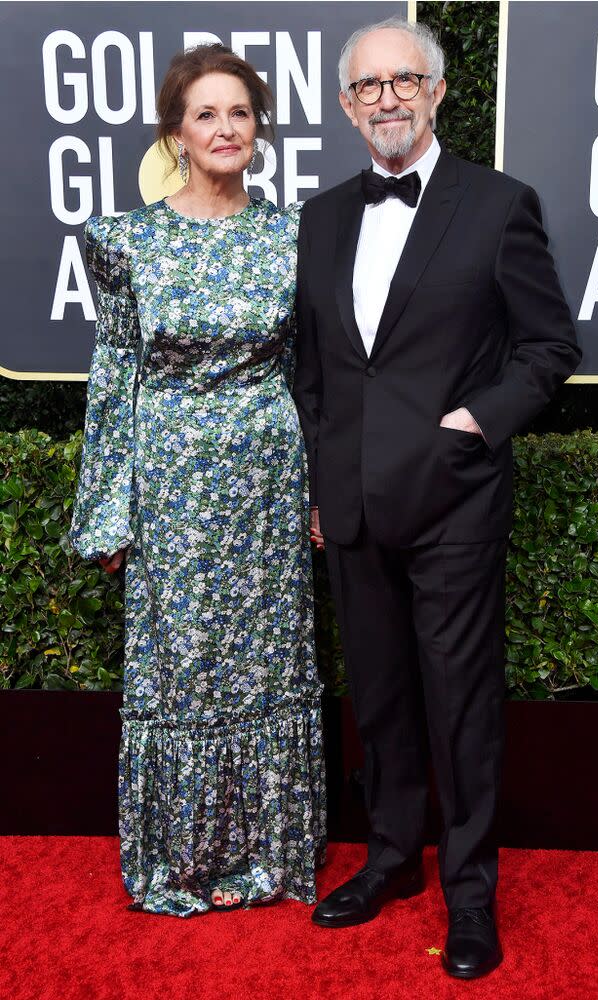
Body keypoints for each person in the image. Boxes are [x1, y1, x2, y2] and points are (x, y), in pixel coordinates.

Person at [293, 17, 581, 978]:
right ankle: (389, 860)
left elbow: (548, 350)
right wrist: (321, 481)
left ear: (438, 91)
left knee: (459, 705)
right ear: (344, 104)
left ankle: (468, 894)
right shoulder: (323, 215)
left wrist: (474, 424)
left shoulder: (499, 206)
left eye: (403, 81)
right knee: (377, 698)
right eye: (367, 87)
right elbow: (318, 370)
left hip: (455, 500)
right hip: (353, 505)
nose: (386, 99)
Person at [70, 43, 325, 918]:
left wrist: (323, 490)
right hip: (169, 482)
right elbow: (114, 375)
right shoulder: (123, 239)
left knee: (266, 666)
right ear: (176, 132)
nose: (225, 128)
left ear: (260, 128)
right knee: (181, 669)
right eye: (206, 113)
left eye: (240, 112)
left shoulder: (296, 235)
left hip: (266, 479)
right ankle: (179, 861)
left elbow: (313, 374)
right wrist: (108, 512)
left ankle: (271, 854)